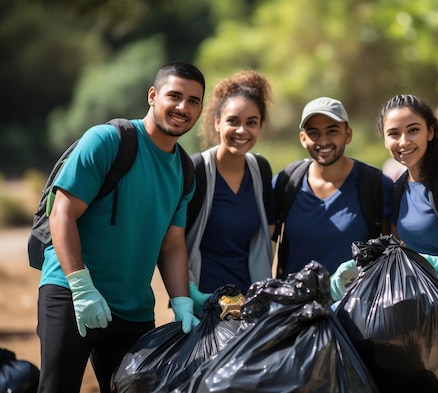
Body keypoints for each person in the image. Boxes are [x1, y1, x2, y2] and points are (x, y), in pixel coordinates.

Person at [36, 61, 204, 393]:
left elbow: (172, 244)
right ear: (153, 96)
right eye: (175, 96)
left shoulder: (185, 171)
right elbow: (62, 213)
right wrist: (82, 288)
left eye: (194, 100)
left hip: (134, 311)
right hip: (72, 295)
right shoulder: (108, 140)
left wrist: (181, 300)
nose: (183, 107)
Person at [331, 94, 438, 391]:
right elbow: (403, 255)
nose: (404, 141)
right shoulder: (399, 189)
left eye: (413, 130)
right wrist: (356, 266)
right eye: (394, 133)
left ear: (430, 131)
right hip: (433, 330)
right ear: (384, 139)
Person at [272, 96, 393, 278]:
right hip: (296, 303)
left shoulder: (375, 185)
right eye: (314, 133)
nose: (323, 141)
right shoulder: (286, 181)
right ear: (303, 138)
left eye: (332, 131)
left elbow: (394, 251)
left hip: (356, 303)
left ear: (348, 135)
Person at [185, 69, 275, 314]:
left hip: (249, 307)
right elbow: (173, 241)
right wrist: (187, 294)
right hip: (203, 305)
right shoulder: (196, 170)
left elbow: (268, 235)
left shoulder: (261, 171)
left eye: (251, 123)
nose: (242, 131)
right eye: (233, 121)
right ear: (217, 122)